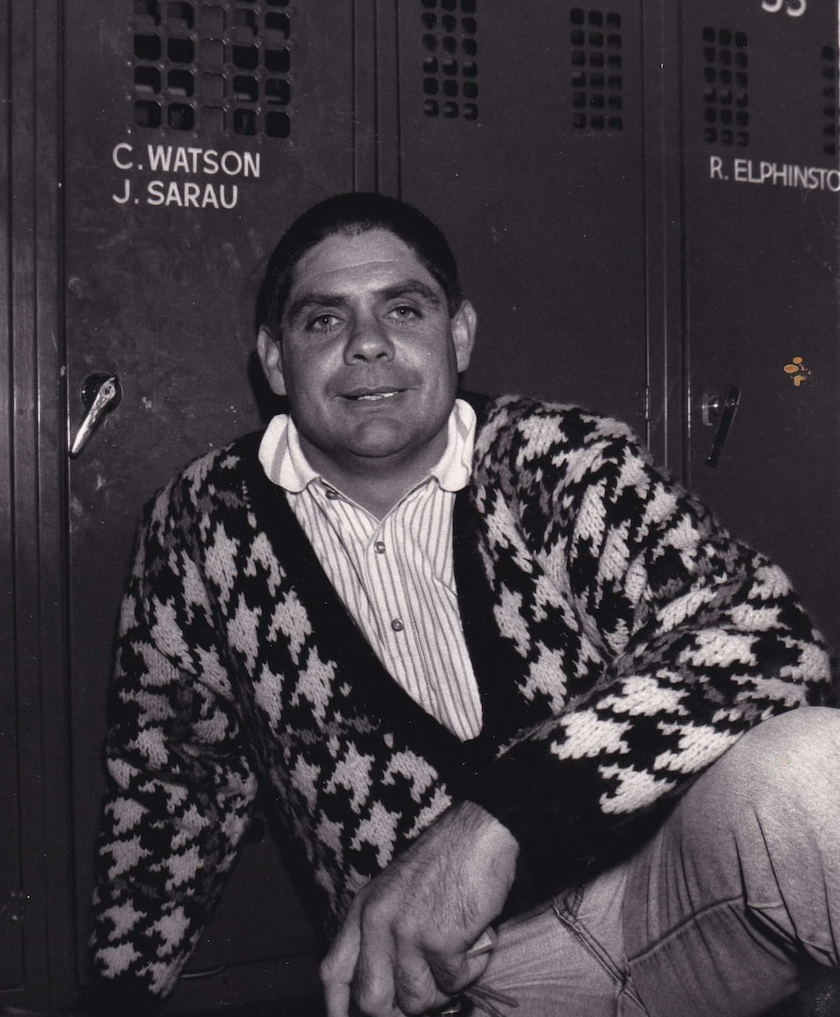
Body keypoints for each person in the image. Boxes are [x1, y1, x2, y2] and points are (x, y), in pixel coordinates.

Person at [85, 193, 837, 1017]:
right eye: (323, 320)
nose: (368, 343)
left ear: (460, 334)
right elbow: (174, 785)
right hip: (450, 983)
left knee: (814, 767)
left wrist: (498, 822)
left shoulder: (558, 460)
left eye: (404, 309)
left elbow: (769, 641)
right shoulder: (204, 524)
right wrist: (119, 999)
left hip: (672, 899)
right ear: (274, 359)